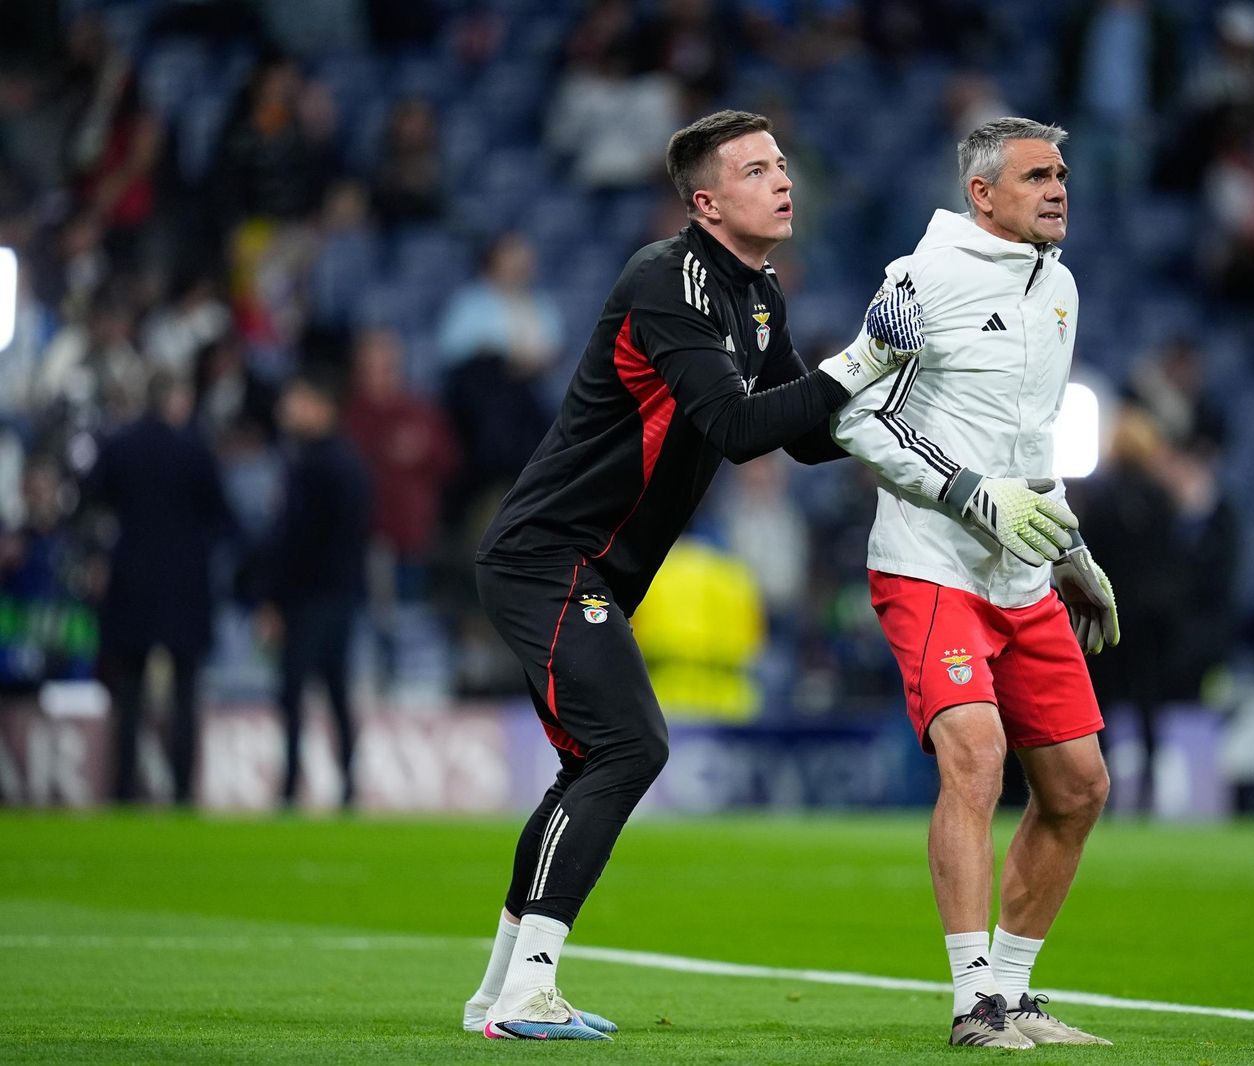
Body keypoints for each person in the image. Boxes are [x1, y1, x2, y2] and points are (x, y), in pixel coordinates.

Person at [462, 109, 919, 1042]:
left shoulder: (759, 299)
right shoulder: (663, 280)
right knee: (632, 747)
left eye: (783, 163)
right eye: (757, 169)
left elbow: (800, 433)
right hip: (547, 557)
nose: (783, 179)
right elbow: (738, 429)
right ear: (708, 203)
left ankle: (498, 993)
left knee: (593, 763)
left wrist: (907, 415)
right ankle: (525, 994)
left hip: (592, 569)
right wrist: (865, 354)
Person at [832, 117, 1118, 1049]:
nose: (1059, 189)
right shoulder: (919, 282)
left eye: (1063, 174)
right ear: (982, 195)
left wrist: (1068, 548)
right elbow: (855, 418)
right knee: (977, 756)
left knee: (1078, 786)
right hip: (933, 563)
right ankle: (972, 1004)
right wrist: (969, 494)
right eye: (1038, 176)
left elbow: (1033, 443)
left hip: (1023, 570)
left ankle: (1016, 989)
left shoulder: (1061, 286)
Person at [88, 371, 234, 805]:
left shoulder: (120, 446)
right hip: (185, 585)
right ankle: (184, 791)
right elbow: (222, 518)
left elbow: (93, 502)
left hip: (131, 581)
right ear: (179, 400)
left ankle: (123, 790)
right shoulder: (194, 450)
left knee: (129, 694)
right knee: (185, 694)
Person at [258, 369, 372, 809]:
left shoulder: (309, 465)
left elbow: (292, 539)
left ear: (320, 407)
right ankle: (346, 784)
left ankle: (291, 785)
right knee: (336, 691)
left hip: (307, 597)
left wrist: (272, 597)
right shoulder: (348, 462)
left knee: (295, 690)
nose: (288, 409)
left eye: (298, 400)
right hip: (339, 594)